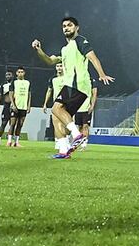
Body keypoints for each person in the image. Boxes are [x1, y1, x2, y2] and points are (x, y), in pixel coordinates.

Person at [32, 16, 114, 159]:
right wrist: (39, 50)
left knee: (56, 108)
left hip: (77, 83)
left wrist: (102, 74)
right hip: (72, 85)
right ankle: (64, 151)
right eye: (64, 26)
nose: (66, 28)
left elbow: (93, 57)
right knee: (57, 116)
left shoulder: (80, 41)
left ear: (77, 28)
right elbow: (50, 61)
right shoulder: (64, 49)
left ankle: (77, 135)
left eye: (69, 25)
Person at [8, 66, 32, 148]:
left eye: (22, 72)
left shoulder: (27, 82)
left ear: (24, 73)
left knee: (20, 124)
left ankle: (16, 142)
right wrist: (13, 104)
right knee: (12, 124)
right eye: (19, 72)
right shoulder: (14, 82)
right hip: (15, 106)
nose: (20, 73)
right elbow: (11, 94)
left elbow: (29, 95)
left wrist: (29, 106)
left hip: (24, 107)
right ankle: (9, 141)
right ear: (16, 73)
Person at [74, 72, 98, 151]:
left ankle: (84, 144)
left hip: (86, 107)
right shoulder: (76, 80)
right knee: (80, 127)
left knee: (85, 126)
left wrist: (92, 105)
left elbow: (94, 93)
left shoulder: (91, 80)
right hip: (77, 107)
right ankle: (79, 142)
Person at [0, 70, 14, 146]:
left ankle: (9, 141)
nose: (8, 76)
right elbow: (0, 95)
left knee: (12, 124)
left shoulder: (15, 84)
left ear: (12, 75)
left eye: (9, 74)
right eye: (6, 75)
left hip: (13, 106)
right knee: (3, 123)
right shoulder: (3, 85)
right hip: (6, 106)